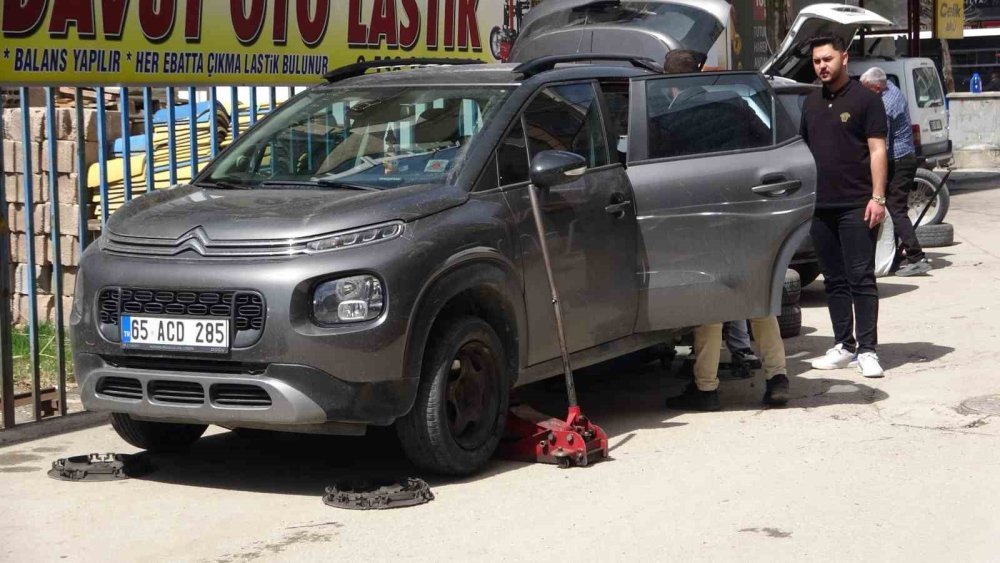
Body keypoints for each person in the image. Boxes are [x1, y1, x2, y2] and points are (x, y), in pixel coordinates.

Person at [661, 49, 790, 411]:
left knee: (711, 304)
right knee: (758, 300)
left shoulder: (669, 118)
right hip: (748, 215)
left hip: (704, 222)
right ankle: (777, 378)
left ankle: (706, 388)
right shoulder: (735, 106)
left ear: (670, 82)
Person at [800, 34, 888, 378]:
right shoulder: (810, 103)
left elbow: (878, 150)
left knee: (861, 278)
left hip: (858, 205)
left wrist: (877, 197)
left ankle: (867, 350)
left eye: (828, 59)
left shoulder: (867, 100)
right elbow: (804, 154)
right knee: (833, 280)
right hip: (821, 207)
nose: (822, 66)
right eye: (817, 61)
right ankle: (844, 345)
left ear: (844, 58)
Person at [860, 67, 931, 277]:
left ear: (877, 87)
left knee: (895, 207)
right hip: (902, 158)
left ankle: (917, 257)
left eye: (866, 90)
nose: (864, 95)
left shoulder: (886, 103)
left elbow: (881, 141)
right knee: (893, 208)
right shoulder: (891, 90)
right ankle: (897, 254)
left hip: (900, 161)